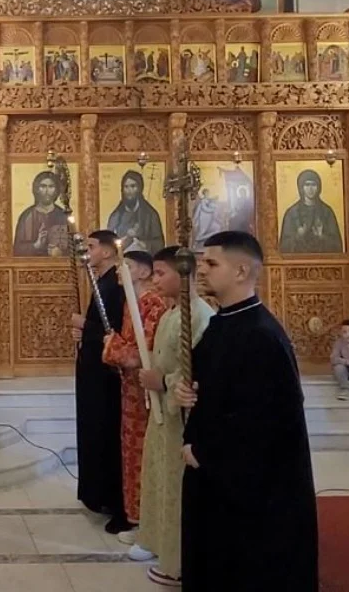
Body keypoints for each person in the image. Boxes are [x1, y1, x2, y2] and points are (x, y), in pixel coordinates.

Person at [175, 231, 317, 591]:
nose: (200, 270)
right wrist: (186, 391)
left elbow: (265, 421)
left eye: (211, 263)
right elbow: (210, 386)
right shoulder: (222, 323)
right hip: (216, 477)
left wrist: (204, 452)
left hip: (250, 489)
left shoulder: (261, 335)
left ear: (241, 271)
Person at [135, 246, 215, 587]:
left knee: (178, 487)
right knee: (162, 481)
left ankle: (179, 562)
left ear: (183, 273)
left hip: (180, 415)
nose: (155, 280)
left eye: (160, 272)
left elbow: (197, 370)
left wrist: (163, 381)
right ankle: (162, 547)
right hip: (163, 417)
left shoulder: (199, 315)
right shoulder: (171, 313)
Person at [102, 250, 167, 561]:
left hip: (148, 393)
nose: (120, 270)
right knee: (131, 454)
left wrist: (111, 346)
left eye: (126, 265)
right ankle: (137, 518)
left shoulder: (154, 304)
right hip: (130, 391)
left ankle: (149, 525)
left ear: (143, 272)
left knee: (144, 455)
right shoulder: (131, 302)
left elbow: (142, 354)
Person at [69, 230, 129, 531]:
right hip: (94, 368)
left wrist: (85, 325)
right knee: (94, 427)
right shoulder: (102, 281)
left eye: (91, 247)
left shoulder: (115, 284)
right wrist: (86, 331)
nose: (87, 251)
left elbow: (114, 331)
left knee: (106, 430)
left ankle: (112, 498)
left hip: (106, 374)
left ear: (106, 251)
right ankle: (98, 494)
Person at [279, 169, 343, 254]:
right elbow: (283, 247)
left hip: (322, 259)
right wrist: (298, 235)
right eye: (307, 185)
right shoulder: (292, 213)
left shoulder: (326, 212)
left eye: (313, 185)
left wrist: (321, 236)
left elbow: (337, 246)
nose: (310, 189)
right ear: (301, 187)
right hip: (298, 260)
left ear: (318, 187)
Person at [13, 171, 71, 256]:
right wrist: (36, 245)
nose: (47, 191)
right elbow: (17, 250)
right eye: (43, 186)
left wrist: (61, 253)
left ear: (56, 190)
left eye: (51, 186)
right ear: (37, 189)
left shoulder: (63, 215)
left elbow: (74, 248)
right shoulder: (26, 216)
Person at [107, 170, 166, 252]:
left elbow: (159, 244)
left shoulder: (150, 215)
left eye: (133, 186)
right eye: (126, 187)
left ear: (139, 189)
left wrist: (144, 244)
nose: (129, 191)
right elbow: (108, 244)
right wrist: (127, 238)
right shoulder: (116, 216)